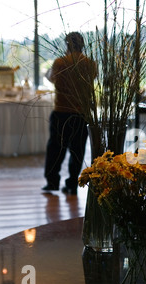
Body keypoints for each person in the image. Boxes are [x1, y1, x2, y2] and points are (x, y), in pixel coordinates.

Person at [42, 32, 97, 195]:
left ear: (67, 44)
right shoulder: (90, 63)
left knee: (56, 149)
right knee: (77, 150)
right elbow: (93, 78)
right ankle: (73, 183)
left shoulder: (60, 62)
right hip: (81, 113)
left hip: (61, 111)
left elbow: (52, 79)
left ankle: (52, 181)